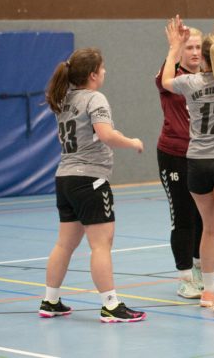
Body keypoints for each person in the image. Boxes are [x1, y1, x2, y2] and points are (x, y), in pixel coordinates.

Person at [40, 48, 146, 323]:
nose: (105, 71)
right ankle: (110, 305)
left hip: (65, 178)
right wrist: (132, 142)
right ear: (92, 75)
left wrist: (113, 134)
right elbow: (105, 134)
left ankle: (50, 300)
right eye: (102, 68)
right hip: (90, 180)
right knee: (101, 245)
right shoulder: (94, 98)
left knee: (64, 244)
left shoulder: (64, 98)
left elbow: (96, 133)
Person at [161, 14, 214, 316]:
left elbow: (166, 80)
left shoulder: (190, 82)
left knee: (208, 229)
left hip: (196, 163)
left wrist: (174, 47)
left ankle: (208, 290)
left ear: (204, 59)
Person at [156, 24, 205, 299]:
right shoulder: (170, 76)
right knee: (183, 216)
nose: (195, 52)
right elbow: (162, 80)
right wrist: (174, 46)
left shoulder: (208, 77)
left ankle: (199, 268)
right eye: (189, 48)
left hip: (203, 154)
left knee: (203, 216)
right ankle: (185, 277)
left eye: (198, 47)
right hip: (174, 154)